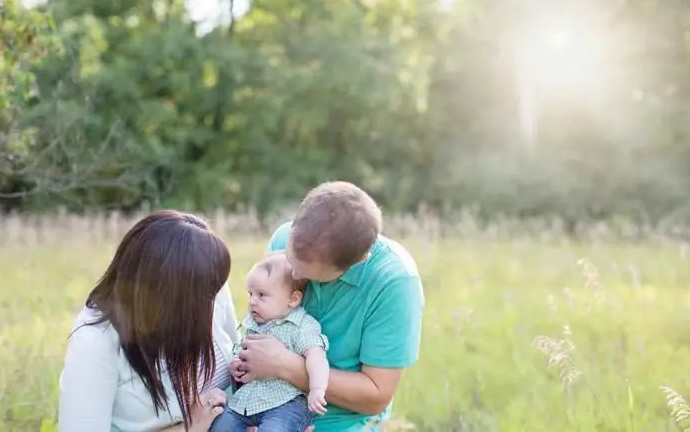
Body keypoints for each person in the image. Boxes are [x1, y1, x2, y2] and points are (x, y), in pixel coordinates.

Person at [233, 181, 425, 431]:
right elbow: (262, 327)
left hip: (339, 421)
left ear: (358, 261)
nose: (292, 271)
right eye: (291, 255)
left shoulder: (394, 282)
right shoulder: (283, 238)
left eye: (307, 272)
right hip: (267, 405)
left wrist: (284, 366)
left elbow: (376, 396)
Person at [57, 210, 239, 432]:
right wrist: (188, 428)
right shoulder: (96, 340)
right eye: (204, 296)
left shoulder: (208, 284)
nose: (213, 301)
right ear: (164, 297)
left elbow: (237, 358)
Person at [209, 252, 329, 432]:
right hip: (247, 401)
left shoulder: (302, 326)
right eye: (250, 294)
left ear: (293, 299)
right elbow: (243, 352)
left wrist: (317, 389)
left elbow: (317, 358)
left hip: (287, 403)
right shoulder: (253, 324)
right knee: (219, 427)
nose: (252, 302)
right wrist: (237, 364)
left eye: (262, 295)